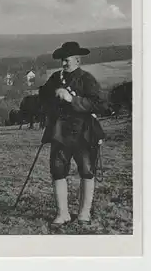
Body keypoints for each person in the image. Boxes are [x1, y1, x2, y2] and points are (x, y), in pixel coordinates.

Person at [39, 41, 107, 226]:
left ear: (77, 60)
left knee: (86, 171)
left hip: (83, 134)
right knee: (58, 170)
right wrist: (55, 94)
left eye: (66, 60)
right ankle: (63, 214)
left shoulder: (87, 79)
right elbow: (42, 97)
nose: (63, 64)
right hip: (60, 133)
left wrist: (73, 99)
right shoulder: (55, 78)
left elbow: (100, 104)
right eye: (62, 60)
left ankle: (84, 213)